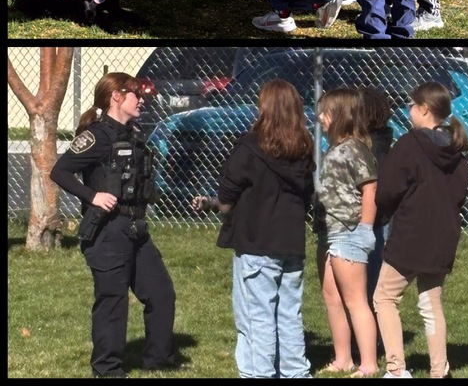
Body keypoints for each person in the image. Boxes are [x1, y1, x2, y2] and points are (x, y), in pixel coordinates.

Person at [50, 72, 176, 377]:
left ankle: (158, 360)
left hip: (136, 229)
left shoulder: (131, 133)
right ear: (116, 97)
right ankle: (107, 369)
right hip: (107, 232)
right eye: (136, 94)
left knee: (161, 293)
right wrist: (92, 196)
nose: (142, 99)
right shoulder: (97, 136)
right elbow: (60, 171)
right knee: (112, 303)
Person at [193, 78, 315, 378]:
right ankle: (296, 372)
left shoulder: (250, 146)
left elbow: (227, 195)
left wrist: (213, 204)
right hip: (290, 243)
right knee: (288, 313)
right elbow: (308, 194)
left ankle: (259, 373)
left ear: (265, 108)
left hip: (256, 242)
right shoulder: (303, 148)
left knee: (256, 316)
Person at [374, 82, 468, 378]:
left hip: (412, 233)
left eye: (411, 105)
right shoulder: (456, 149)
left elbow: (387, 191)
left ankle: (396, 368)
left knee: (384, 297)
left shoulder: (409, 144)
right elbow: (460, 194)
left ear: (424, 109)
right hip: (444, 235)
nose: (408, 110)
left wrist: (385, 210)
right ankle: (439, 370)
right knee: (431, 301)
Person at [315, 87, 379, 377]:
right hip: (331, 232)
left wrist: (365, 228)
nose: (319, 118)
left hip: (350, 231)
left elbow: (370, 189)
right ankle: (343, 358)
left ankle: (368, 363)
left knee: (356, 301)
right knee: (332, 296)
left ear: (340, 115)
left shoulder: (355, 148)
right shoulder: (335, 147)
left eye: (326, 112)